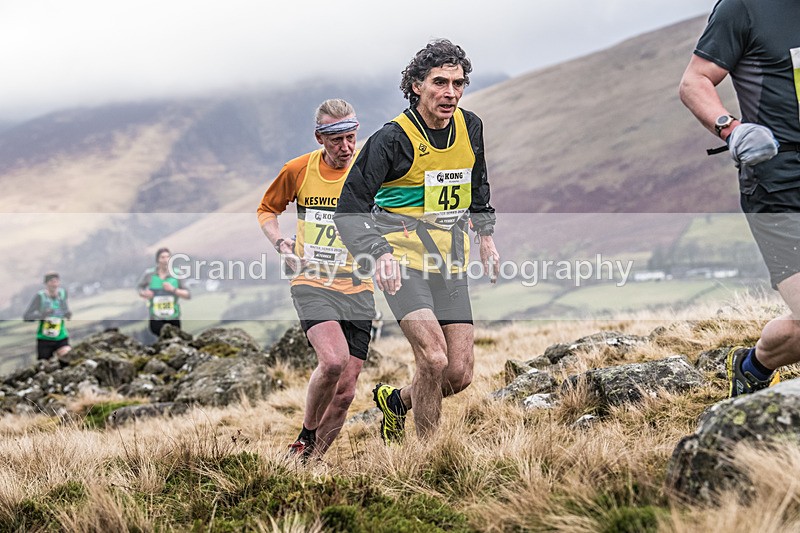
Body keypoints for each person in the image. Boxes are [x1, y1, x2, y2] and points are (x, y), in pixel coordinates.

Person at [334, 39, 500, 443]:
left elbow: (477, 185)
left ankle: (397, 402)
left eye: (458, 84)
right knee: (433, 357)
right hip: (402, 263)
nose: (450, 93)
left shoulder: (471, 126)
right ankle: (426, 457)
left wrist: (486, 236)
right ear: (415, 85)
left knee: (458, 374)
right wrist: (379, 254)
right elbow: (348, 209)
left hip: (450, 262)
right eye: (439, 82)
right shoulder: (392, 139)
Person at [679, 0, 800, 397]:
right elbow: (694, 81)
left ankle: (753, 366)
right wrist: (732, 129)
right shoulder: (745, 6)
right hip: (777, 185)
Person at [257, 98, 375, 461]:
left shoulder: (371, 171)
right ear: (319, 137)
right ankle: (305, 436)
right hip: (313, 280)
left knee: (346, 393)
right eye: (336, 139)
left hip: (358, 286)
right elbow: (267, 210)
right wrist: (281, 243)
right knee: (334, 361)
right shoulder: (299, 169)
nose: (345, 147)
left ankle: (309, 464)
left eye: (351, 137)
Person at [137, 247, 190, 337]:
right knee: (164, 334)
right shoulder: (149, 274)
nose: (166, 260)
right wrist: (145, 293)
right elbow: (139, 288)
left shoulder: (177, 273)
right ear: (157, 259)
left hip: (173, 316)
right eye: (162, 257)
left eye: (168, 257)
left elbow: (187, 295)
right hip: (156, 316)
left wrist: (173, 289)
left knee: (173, 338)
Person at [23, 272, 73, 362]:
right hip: (44, 338)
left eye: (56, 281)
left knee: (68, 359)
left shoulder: (62, 293)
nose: (54, 284)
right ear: (46, 283)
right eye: (51, 281)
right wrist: (42, 315)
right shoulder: (40, 297)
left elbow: (65, 309)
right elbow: (27, 317)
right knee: (44, 367)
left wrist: (67, 314)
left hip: (61, 336)